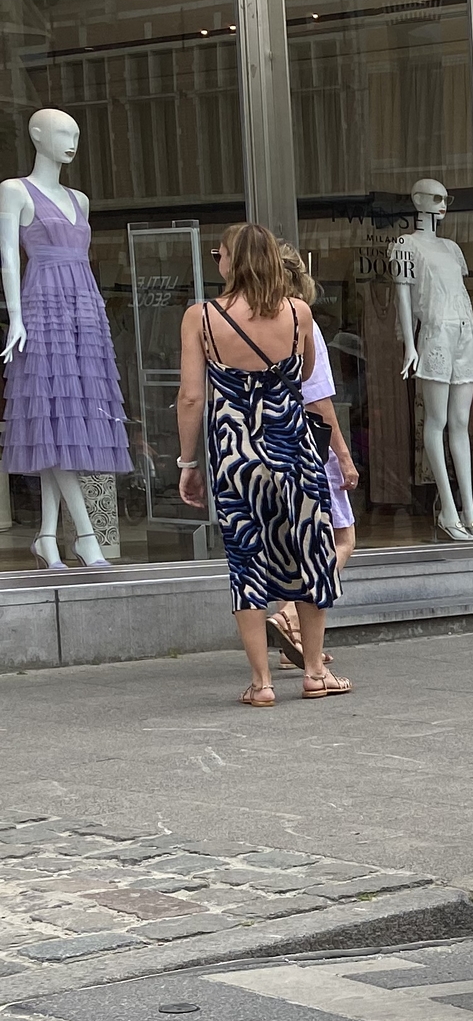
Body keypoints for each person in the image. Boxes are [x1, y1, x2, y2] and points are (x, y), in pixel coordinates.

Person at [175, 222, 345, 705]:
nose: (218, 262)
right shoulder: (298, 312)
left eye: (219, 254)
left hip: (235, 455)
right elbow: (307, 373)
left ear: (233, 261)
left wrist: (190, 461)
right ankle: (314, 672)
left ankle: (262, 683)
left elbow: (191, 396)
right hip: (293, 448)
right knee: (312, 551)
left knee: (246, 559)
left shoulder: (201, 317)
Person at [263, 243, 359, 671]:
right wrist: (342, 454)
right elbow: (318, 397)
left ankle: (298, 637)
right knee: (342, 538)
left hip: (266, 443)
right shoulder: (303, 321)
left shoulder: (251, 321)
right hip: (308, 443)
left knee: (293, 542)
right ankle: (290, 615)